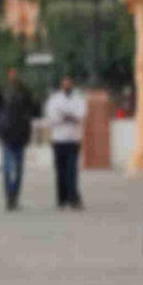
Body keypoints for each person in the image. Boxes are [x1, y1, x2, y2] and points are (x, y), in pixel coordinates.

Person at [45, 76, 87, 210]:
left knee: (72, 170)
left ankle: (73, 198)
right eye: (65, 84)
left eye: (69, 84)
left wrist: (67, 116)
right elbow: (52, 117)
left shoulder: (78, 98)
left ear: (72, 84)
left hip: (73, 139)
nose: (67, 86)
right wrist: (66, 117)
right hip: (59, 139)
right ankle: (61, 199)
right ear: (62, 85)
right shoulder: (55, 99)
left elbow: (81, 115)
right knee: (61, 171)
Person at [0, 69, 36, 211]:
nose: (13, 77)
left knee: (18, 170)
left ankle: (14, 197)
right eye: (11, 75)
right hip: (8, 137)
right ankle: (10, 197)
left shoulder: (25, 93)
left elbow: (31, 112)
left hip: (20, 136)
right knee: (8, 169)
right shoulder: (3, 93)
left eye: (15, 75)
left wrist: (27, 135)